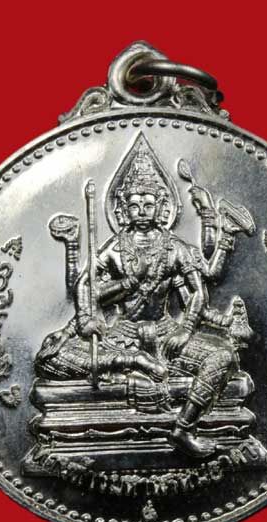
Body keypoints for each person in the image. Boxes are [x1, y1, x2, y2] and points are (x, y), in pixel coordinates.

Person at [36, 153, 239, 459]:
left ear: (162, 207)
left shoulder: (175, 248)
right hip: (122, 336)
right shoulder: (115, 249)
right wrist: (99, 307)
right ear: (123, 210)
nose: (142, 210)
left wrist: (185, 329)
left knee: (224, 357)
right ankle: (132, 363)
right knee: (48, 358)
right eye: (134, 205)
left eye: (148, 204)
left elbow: (199, 293)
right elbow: (86, 286)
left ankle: (184, 427)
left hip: (166, 334)